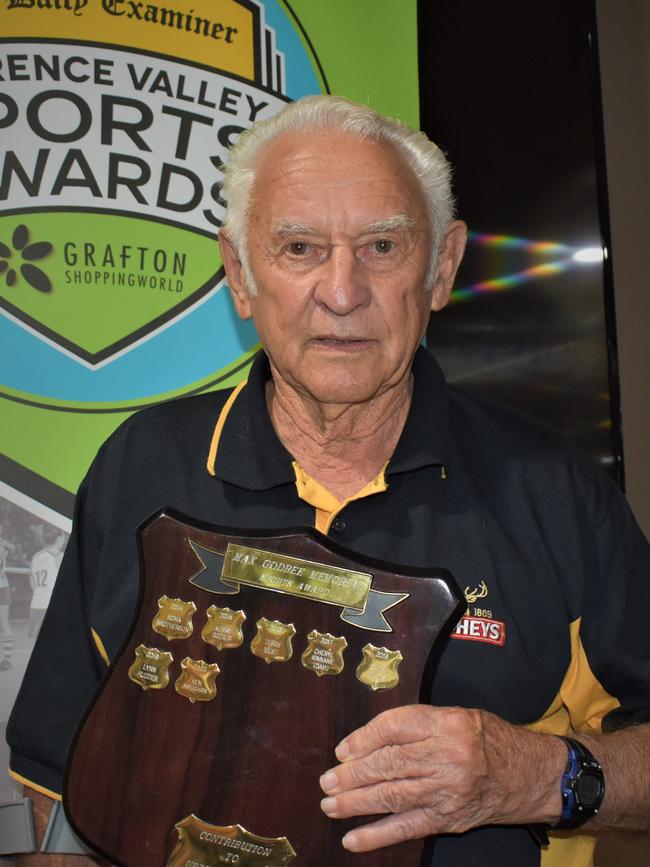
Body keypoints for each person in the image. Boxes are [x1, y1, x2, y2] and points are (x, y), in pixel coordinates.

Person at [5, 95, 650, 867]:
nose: (342, 292)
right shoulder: (141, 467)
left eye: (382, 245)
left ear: (441, 268)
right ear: (240, 276)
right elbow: (60, 780)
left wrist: (539, 775)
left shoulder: (552, 490)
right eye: (300, 247)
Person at [28, 529, 66, 641]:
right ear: (58, 539)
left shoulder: (36, 556)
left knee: (37, 645)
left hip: (36, 604)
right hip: (52, 605)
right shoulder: (59, 556)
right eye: (63, 537)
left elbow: (32, 580)